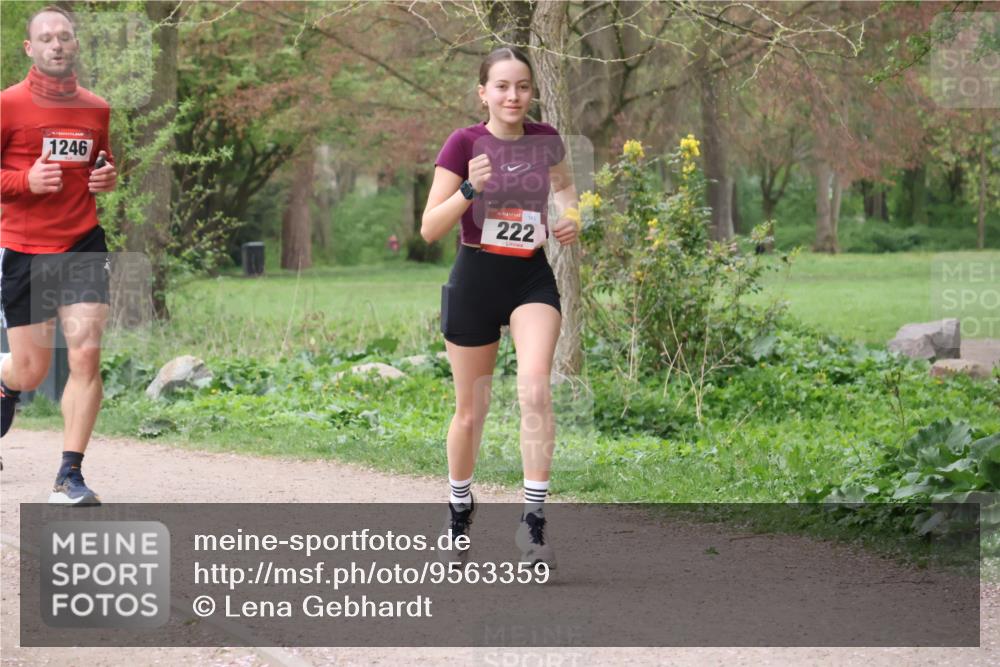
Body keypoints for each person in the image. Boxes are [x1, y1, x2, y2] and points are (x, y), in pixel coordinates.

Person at [421, 46, 579, 568]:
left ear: (532, 92)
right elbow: (429, 228)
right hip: (475, 278)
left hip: (529, 276)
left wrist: (571, 217)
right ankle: (459, 507)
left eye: (523, 86)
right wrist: (471, 188)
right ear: (483, 93)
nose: (514, 96)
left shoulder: (546, 139)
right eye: (503, 86)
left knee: (535, 387)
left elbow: (566, 189)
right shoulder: (463, 143)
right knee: (471, 411)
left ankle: (532, 523)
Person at [0, 6, 118, 505]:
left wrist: (107, 177)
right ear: (30, 48)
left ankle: (69, 475)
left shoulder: (96, 108)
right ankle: (5, 381)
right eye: (46, 38)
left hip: (82, 244)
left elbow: (102, 164)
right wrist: (24, 181)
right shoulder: (8, 105)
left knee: (86, 355)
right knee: (31, 372)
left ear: (75, 45)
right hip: (25, 250)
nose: (57, 44)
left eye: (64, 36)